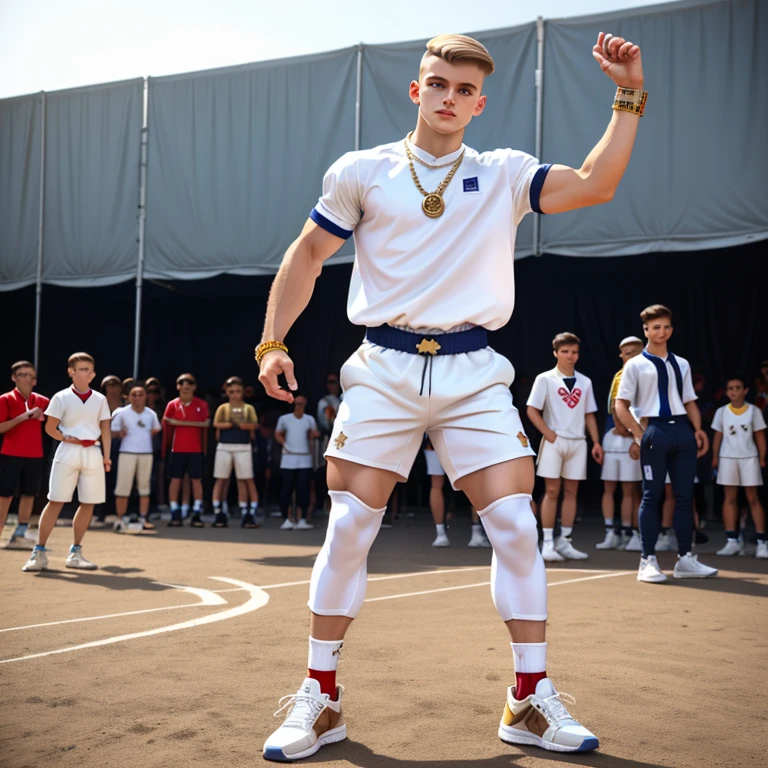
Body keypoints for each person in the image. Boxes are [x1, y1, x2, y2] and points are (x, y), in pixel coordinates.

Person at [258, 31, 647, 760]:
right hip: (383, 367)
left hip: (473, 371)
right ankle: (321, 698)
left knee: (517, 528)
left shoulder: (504, 172)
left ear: (479, 102)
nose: (449, 97)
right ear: (417, 90)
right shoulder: (363, 170)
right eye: (437, 83)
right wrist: (272, 341)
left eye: (464, 89)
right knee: (348, 527)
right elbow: (308, 254)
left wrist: (628, 92)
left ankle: (528, 700)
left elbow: (597, 182)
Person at [615, 304, 718, 583]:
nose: (662, 332)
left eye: (667, 327)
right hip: (654, 432)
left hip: (682, 430)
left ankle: (686, 558)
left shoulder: (681, 363)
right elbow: (620, 405)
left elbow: (689, 401)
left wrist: (698, 430)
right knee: (652, 495)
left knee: (685, 496)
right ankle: (647, 560)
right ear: (646, 330)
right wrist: (639, 434)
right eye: (656, 327)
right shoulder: (635, 364)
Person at [21, 352, 111, 572]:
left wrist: (106, 456)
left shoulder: (100, 399)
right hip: (68, 451)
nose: (88, 373)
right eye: (83, 368)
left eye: (90, 369)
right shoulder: (61, 397)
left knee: (88, 502)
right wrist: (65, 437)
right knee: (56, 501)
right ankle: (39, 552)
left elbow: (105, 428)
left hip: (93, 453)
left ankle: (76, 552)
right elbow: (50, 427)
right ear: (71, 372)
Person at [526, 333, 602, 562]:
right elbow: (532, 409)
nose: (571, 356)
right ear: (556, 353)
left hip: (578, 441)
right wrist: (548, 433)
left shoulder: (585, 382)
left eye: (574, 352)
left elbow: (589, 414)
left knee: (571, 492)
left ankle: (565, 541)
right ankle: (547, 542)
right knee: (551, 491)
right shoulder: (545, 379)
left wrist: (596, 442)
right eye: (565, 351)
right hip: (554, 441)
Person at [711, 375, 767, 558]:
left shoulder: (753, 411)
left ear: (745, 390)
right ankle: (732, 541)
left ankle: (762, 543)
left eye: (737, 388)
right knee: (730, 499)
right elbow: (718, 436)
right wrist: (715, 457)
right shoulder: (721, 412)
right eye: (730, 388)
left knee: (753, 498)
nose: (734, 391)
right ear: (727, 392)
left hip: (749, 458)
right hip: (728, 458)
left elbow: (759, 436)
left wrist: (762, 457)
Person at [598, 336, 643, 550]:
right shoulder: (619, 375)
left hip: (634, 438)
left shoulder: (646, 374)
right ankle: (611, 534)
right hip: (615, 438)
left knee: (631, 489)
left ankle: (632, 533)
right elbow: (616, 406)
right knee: (609, 487)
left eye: (632, 352)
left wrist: (634, 432)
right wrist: (620, 427)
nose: (626, 357)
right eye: (624, 353)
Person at [0, 361, 50, 549]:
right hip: (10, 453)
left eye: (30, 375)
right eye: (22, 374)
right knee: (4, 496)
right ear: (14, 377)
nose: (27, 378)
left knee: (29, 494)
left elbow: (56, 419)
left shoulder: (43, 401)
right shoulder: (5, 399)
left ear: (35, 380)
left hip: (35, 455)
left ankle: (20, 534)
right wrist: (24, 417)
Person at [212, 376, 262, 528]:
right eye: (232, 391)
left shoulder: (248, 408)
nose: (235, 394)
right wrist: (231, 424)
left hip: (243, 446)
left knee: (245, 479)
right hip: (224, 446)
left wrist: (238, 425)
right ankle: (218, 510)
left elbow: (254, 425)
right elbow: (216, 424)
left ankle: (248, 511)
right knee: (221, 478)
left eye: (238, 391)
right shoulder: (223, 408)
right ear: (227, 392)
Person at [111, 384, 162, 532]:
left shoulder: (150, 414)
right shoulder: (121, 413)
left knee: (144, 487)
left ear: (145, 397)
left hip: (146, 454)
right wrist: (120, 434)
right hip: (127, 453)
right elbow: (113, 431)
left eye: (141, 395)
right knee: (123, 487)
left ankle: (143, 518)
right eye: (134, 395)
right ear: (129, 397)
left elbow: (155, 430)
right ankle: (119, 519)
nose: (138, 398)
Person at [163, 373, 210, 527]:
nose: (186, 387)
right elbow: (166, 424)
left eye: (189, 384)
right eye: (182, 384)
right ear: (178, 387)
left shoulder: (201, 404)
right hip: (176, 449)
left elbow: (206, 423)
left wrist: (180, 422)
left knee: (196, 480)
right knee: (175, 479)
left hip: (196, 449)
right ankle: (175, 510)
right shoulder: (172, 404)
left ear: (194, 387)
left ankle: (196, 511)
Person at [424, 436, 489, 548]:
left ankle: (440, 535)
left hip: (433, 438)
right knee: (472, 482)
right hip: (460, 437)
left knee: (436, 485)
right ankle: (476, 533)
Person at [275, 395, 320, 530]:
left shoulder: (309, 419)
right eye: (297, 404)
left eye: (301, 404)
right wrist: (285, 444)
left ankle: (302, 518)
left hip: (304, 458)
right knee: (287, 489)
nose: (299, 406)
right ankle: (286, 518)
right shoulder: (284, 419)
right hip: (289, 458)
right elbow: (278, 433)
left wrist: (314, 435)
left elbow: (315, 433)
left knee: (303, 489)